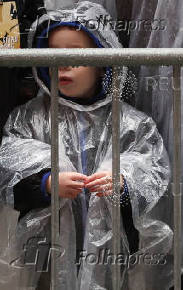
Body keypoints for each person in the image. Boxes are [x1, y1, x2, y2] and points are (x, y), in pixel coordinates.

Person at [0, 2, 171, 289]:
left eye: (76, 56)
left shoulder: (131, 123)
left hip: (113, 264)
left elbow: (154, 176)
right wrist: (45, 183)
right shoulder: (28, 118)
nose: (62, 65)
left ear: (102, 61)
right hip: (45, 261)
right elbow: (8, 168)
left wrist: (124, 184)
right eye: (53, 56)